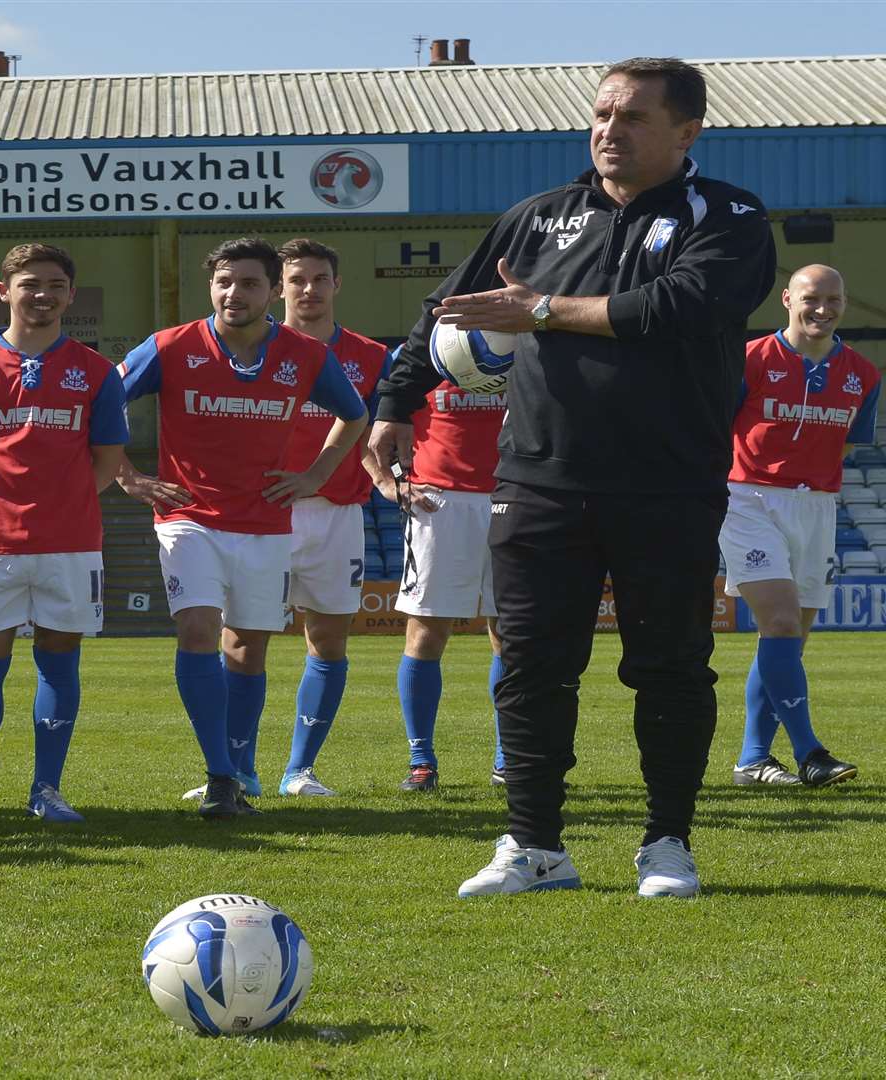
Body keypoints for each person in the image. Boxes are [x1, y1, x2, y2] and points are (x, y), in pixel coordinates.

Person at [371, 57, 778, 899]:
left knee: (669, 667)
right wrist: (396, 400)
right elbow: (444, 310)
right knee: (530, 666)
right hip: (537, 480)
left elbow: (678, 308)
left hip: (667, 483)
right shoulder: (538, 219)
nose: (608, 131)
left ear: (687, 131)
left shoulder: (728, 216)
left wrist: (544, 312)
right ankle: (534, 847)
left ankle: (667, 844)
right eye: (600, 114)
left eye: (632, 117)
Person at [118, 237, 368, 819]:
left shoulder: (304, 355)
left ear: (271, 291)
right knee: (200, 629)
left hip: (265, 522)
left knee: (248, 646)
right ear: (211, 287)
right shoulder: (170, 346)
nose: (235, 293)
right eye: (224, 281)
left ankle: (237, 771)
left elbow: (354, 414)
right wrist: (128, 476)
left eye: (250, 283)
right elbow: (104, 399)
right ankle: (220, 776)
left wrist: (315, 475)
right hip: (189, 517)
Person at [0, 243, 128, 826]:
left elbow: (108, 459)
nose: (43, 294)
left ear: (71, 295)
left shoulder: (95, 371)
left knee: (60, 664)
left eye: (55, 284)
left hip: (70, 543)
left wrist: (65, 503)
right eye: (30, 283)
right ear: (4, 290)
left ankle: (48, 790)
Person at [724, 265, 876, 787]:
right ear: (788, 299)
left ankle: (752, 760)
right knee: (783, 622)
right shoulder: (748, 360)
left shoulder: (864, 373)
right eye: (812, 298)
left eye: (833, 299)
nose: (823, 309)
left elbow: (850, 443)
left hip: (818, 507)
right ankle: (810, 752)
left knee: (789, 636)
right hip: (748, 498)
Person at [271, 238, 390, 798]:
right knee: (236, 641)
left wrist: (387, 478)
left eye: (320, 279)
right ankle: (229, 771)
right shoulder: (250, 349)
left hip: (336, 515)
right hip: (261, 514)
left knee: (327, 642)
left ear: (337, 285)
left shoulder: (369, 355)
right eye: (297, 280)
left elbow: (374, 433)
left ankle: (300, 770)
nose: (309, 290)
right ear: (280, 287)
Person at [367, 348, 509, 792]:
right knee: (427, 633)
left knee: (511, 633)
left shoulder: (524, 342)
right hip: (439, 503)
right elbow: (372, 428)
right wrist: (390, 483)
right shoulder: (418, 354)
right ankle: (420, 760)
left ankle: (510, 758)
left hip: (515, 498)